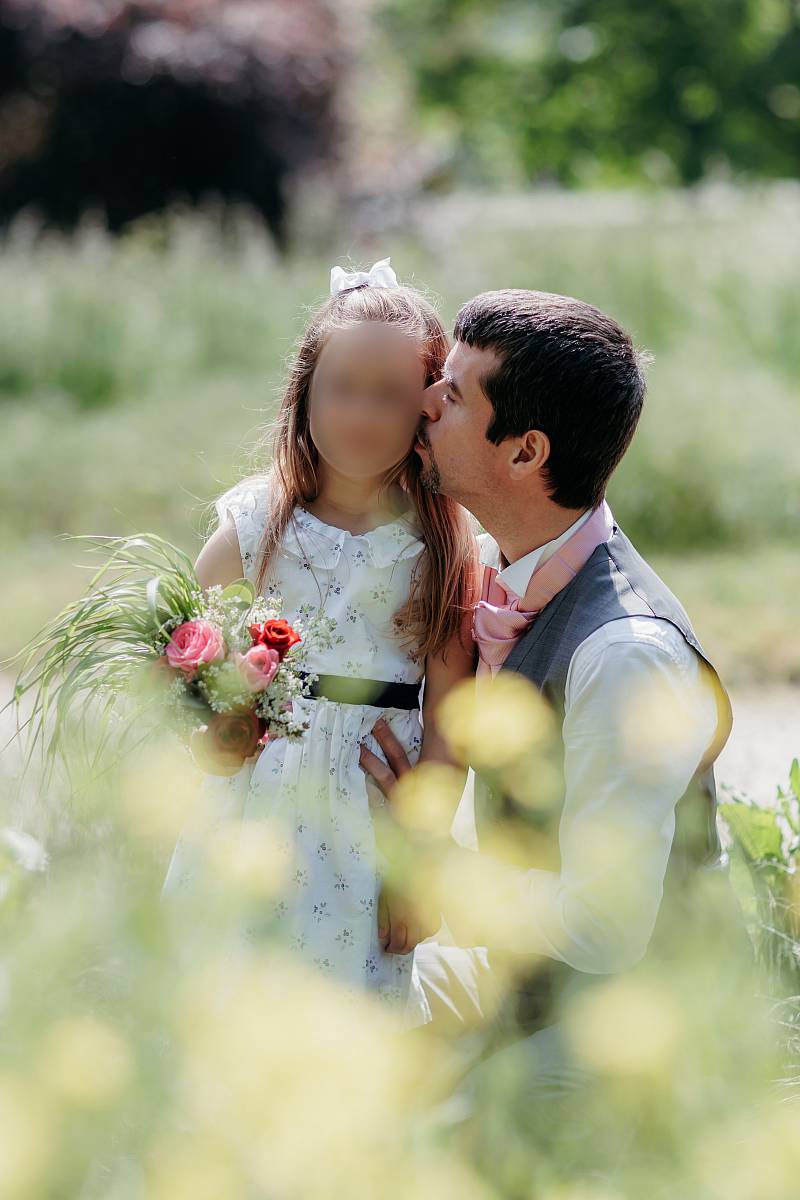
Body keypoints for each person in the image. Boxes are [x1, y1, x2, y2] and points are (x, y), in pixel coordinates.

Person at [361, 288, 740, 1072]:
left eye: (453, 394)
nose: (422, 401)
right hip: (532, 991)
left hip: (641, 1037)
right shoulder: (501, 569)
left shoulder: (624, 653)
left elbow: (604, 931)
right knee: (337, 1001)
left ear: (526, 452)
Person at [161, 259, 478, 1029]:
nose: (362, 414)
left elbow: (451, 716)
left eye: (390, 396)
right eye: (342, 389)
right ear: (305, 394)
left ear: (427, 409)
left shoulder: (440, 542)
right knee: (230, 994)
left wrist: (422, 859)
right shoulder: (254, 527)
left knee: (348, 1011)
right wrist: (210, 732)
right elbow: (178, 656)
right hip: (254, 803)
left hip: (369, 809)